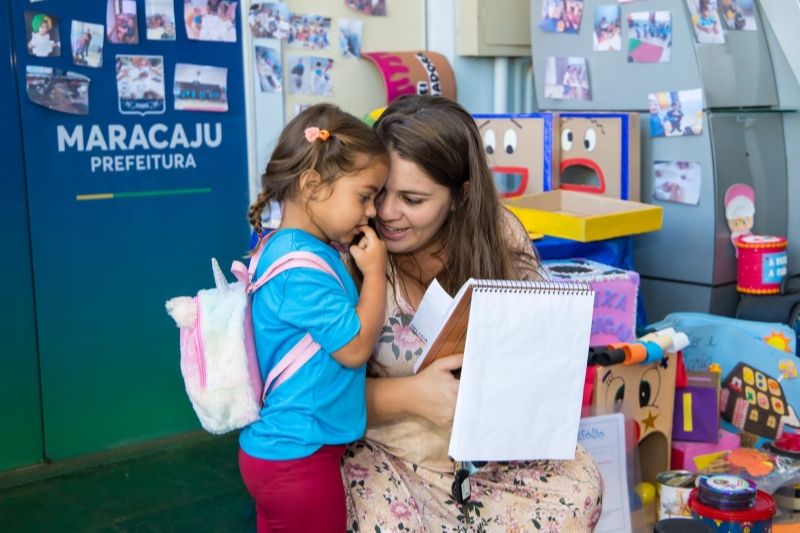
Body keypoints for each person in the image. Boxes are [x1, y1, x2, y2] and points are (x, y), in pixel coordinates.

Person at [340, 96, 603, 531]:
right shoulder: (350, 251)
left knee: (581, 487)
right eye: (380, 192)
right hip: (390, 455)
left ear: (461, 195)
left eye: (413, 199)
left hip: (489, 458)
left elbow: (536, 360)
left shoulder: (498, 233)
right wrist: (412, 396)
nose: (386, 213)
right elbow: (308, 399)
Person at [240, 104, 390, 532]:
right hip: (299, 461)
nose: (373, 212)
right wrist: (375, 272)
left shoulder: (290, 249)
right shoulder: (301, 269)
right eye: (364, 196)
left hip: (285, 457)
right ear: (311, 185)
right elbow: (356, 348)